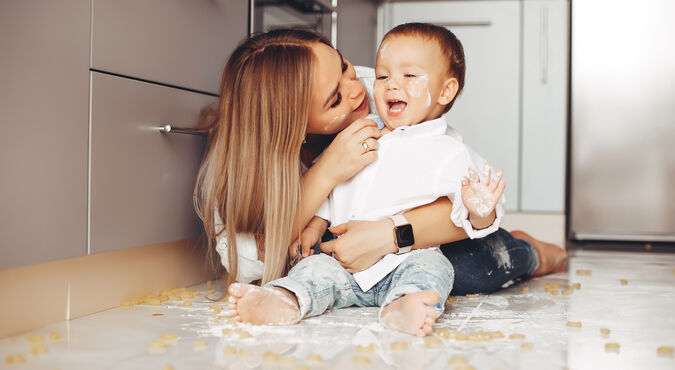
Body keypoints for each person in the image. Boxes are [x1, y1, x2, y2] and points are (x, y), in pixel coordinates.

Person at [194, 28, 565, 333]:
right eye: (335, 99)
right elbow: (253, 261)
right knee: (311, 270)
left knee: (468, 267)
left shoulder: (386, 86)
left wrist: (388, 235)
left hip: (415, 235)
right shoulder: (241, 168)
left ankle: (528, 250)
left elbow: (451, 200)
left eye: (345, 68)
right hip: (337, 244)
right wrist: (327, 172)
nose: (359, 90)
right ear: (290, 126)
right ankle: (288, 301)